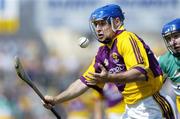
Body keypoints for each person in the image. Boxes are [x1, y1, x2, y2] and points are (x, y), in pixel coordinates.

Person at [43, 4, 176, 119]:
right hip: (131, 108)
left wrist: (109, 77)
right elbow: (83, 82)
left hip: (152, 105)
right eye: (96, 25)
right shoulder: (103, 52)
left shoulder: (127, 39)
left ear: (117, 22)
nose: (98, 29)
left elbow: (140, 73)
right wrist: (56, 99)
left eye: (102, 23)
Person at [158, 18, 180, 118]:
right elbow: (150, 85)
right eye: (169, 39)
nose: (172, 42)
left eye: (176, 36)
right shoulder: (165, 61)